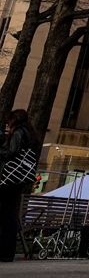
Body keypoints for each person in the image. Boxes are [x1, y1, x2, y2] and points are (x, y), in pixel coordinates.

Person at [0, 109, 39, 262]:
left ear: (14, 120)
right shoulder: (31, 135)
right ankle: (7, 252)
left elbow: (11, 152)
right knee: (10, 214)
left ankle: (3, 250)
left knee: (5, 213)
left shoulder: (18, 133)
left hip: (9, 178)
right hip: (19, 179)